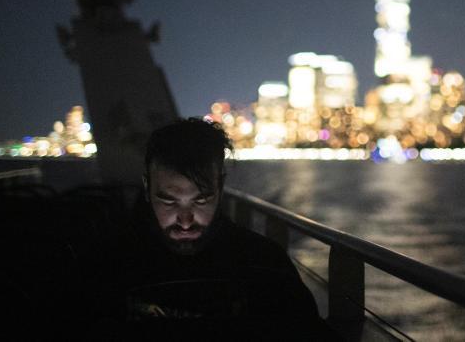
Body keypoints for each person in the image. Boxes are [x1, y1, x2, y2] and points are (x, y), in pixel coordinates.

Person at [86, 118, 336, 339]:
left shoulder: (108, 266)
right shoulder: (264, 264)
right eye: (169, 201)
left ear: (221, 187)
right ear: (146, 187)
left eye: (201, 200)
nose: (185, 221)